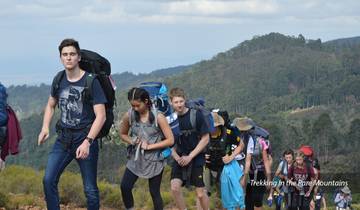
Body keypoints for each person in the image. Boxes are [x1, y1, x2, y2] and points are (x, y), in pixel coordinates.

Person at [38, 38, 107, 210]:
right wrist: (45, 127)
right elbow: (51, 104)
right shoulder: (59, 78)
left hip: (85, 138)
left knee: (90, 189)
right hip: (63, 138)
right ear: (61, 58)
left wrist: (88, 142)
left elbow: (101, 116)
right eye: (65, 54)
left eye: (72, 54)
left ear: (78, 57)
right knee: (48, 180)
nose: (68, 58)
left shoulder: (91, 81)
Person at [119, 87, 174, 210]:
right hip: (136, 157)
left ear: (146, 101)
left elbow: (170, 140)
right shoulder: (129, 115)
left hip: (155, 159)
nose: (135, 108)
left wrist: (150, 146)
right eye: (132, 105)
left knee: (154, 192)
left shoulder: (158, 117)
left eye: (138, 105)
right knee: (125, 186)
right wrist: (132, 140)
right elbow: (122, 134)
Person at [169, 87, 210, 210]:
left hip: (197, 156)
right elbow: (167, 142)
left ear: (184, 100)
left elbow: (205, 138)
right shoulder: (170, 120)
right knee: (175, 188)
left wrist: (190, 156)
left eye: (181, 101)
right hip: (179, 156)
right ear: (171, 102)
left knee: (200, 194)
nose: (179, 105)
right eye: (176, 102)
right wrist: (177, 157)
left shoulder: (196, 115)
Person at [234, 117, 271, 210]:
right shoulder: (240, 139)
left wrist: (268, 179)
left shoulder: (261, 141)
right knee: (248, 201)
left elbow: (266, 161)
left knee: (257, 201)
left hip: (259, 173)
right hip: (246, 172)